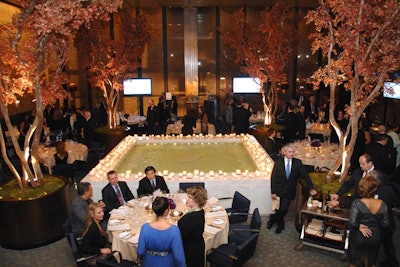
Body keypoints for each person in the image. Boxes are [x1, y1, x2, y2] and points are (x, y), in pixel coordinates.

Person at [268, 143, 317, 234]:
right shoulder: (278, 162)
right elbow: (273, 178)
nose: (291, 154)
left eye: (293, 152)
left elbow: (305, 176)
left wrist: (311, 187)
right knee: (279, 208)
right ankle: (280, 224)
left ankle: (273, 218)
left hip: (289, 191)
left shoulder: (297, 163)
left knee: (284, 209)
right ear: (284, 152)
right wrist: (273, 191)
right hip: (279, 190)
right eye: (289, 152)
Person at [348, 175, 389, 267]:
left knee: (354, 262)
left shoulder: (357, 203)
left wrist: (360, 227)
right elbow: (385, 224)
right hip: (374, 236)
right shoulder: (382, 204)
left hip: (358, 236)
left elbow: (352, 222)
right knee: (371, 261)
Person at [137, 196, 187, 267]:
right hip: (167, 262)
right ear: (167, 211)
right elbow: (179, 257)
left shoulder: (145, 228)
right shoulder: (174, 230)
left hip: (149, 262)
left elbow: (140, 251)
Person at [369, 170, 400, 267]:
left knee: (379, 246)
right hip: (387, 223)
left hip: (381, 224)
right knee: (388, 245)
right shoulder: (389, 189)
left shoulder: (377, 191)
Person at [178, 186, 207, 267]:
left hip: (189, 251)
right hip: (198, 246)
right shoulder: (201, 211)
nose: (187, 199)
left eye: (190, 198)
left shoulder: (189, 218)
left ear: (197, 200)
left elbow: (179, 236)